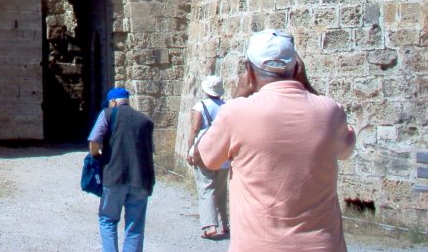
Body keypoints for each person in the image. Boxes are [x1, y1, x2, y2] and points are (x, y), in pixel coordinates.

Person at [194, 29, 356, 252]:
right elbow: (346, 148)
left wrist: (238, 96)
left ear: (249, 71)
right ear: (297, 69)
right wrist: (306, 84)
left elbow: (203, 157)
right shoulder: (330, 111)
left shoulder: (237, 112)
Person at [88, 86, 155, 252]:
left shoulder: (108, 114)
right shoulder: (145, 120)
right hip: (141, 179)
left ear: (112, 102)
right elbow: (150, 150)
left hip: (113, 176)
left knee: (108, 220)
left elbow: (94, 142)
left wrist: (96, 157)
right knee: (135, 226)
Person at [185, 74, 230, 239]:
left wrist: (189, 149)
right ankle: (224, 224)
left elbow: (195, 128)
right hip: (223, 153)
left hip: (204, 152)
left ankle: (210, 226)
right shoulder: (226, 107)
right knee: (221, 191)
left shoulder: (201, 106)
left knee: (206, 189)